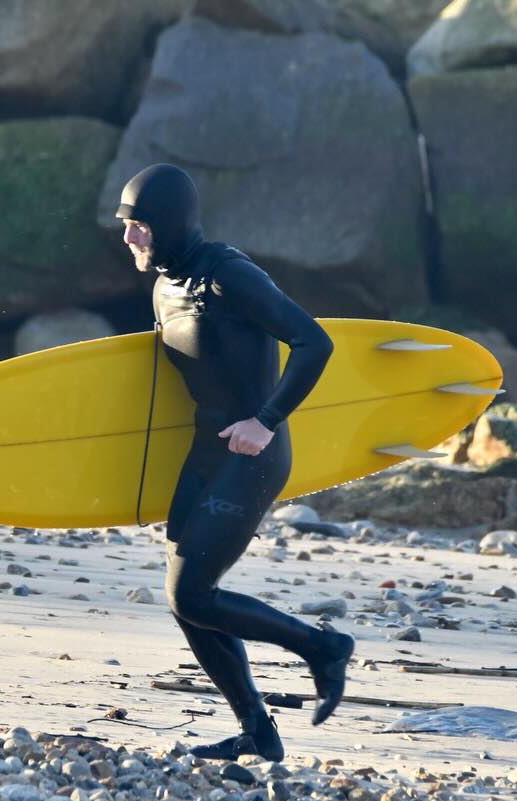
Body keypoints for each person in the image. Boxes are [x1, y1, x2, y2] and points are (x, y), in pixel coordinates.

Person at [115, 162, 354, 763]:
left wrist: (265, 421)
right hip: (204, 451)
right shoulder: (162, 288)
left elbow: (312, 341)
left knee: (195, 596)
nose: (129, 238)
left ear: (167, 223)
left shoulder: (227, 275)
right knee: (185, 600)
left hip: (252, 454)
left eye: (138, 225)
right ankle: (257, 731)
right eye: (126, 226)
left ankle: (321, 647)